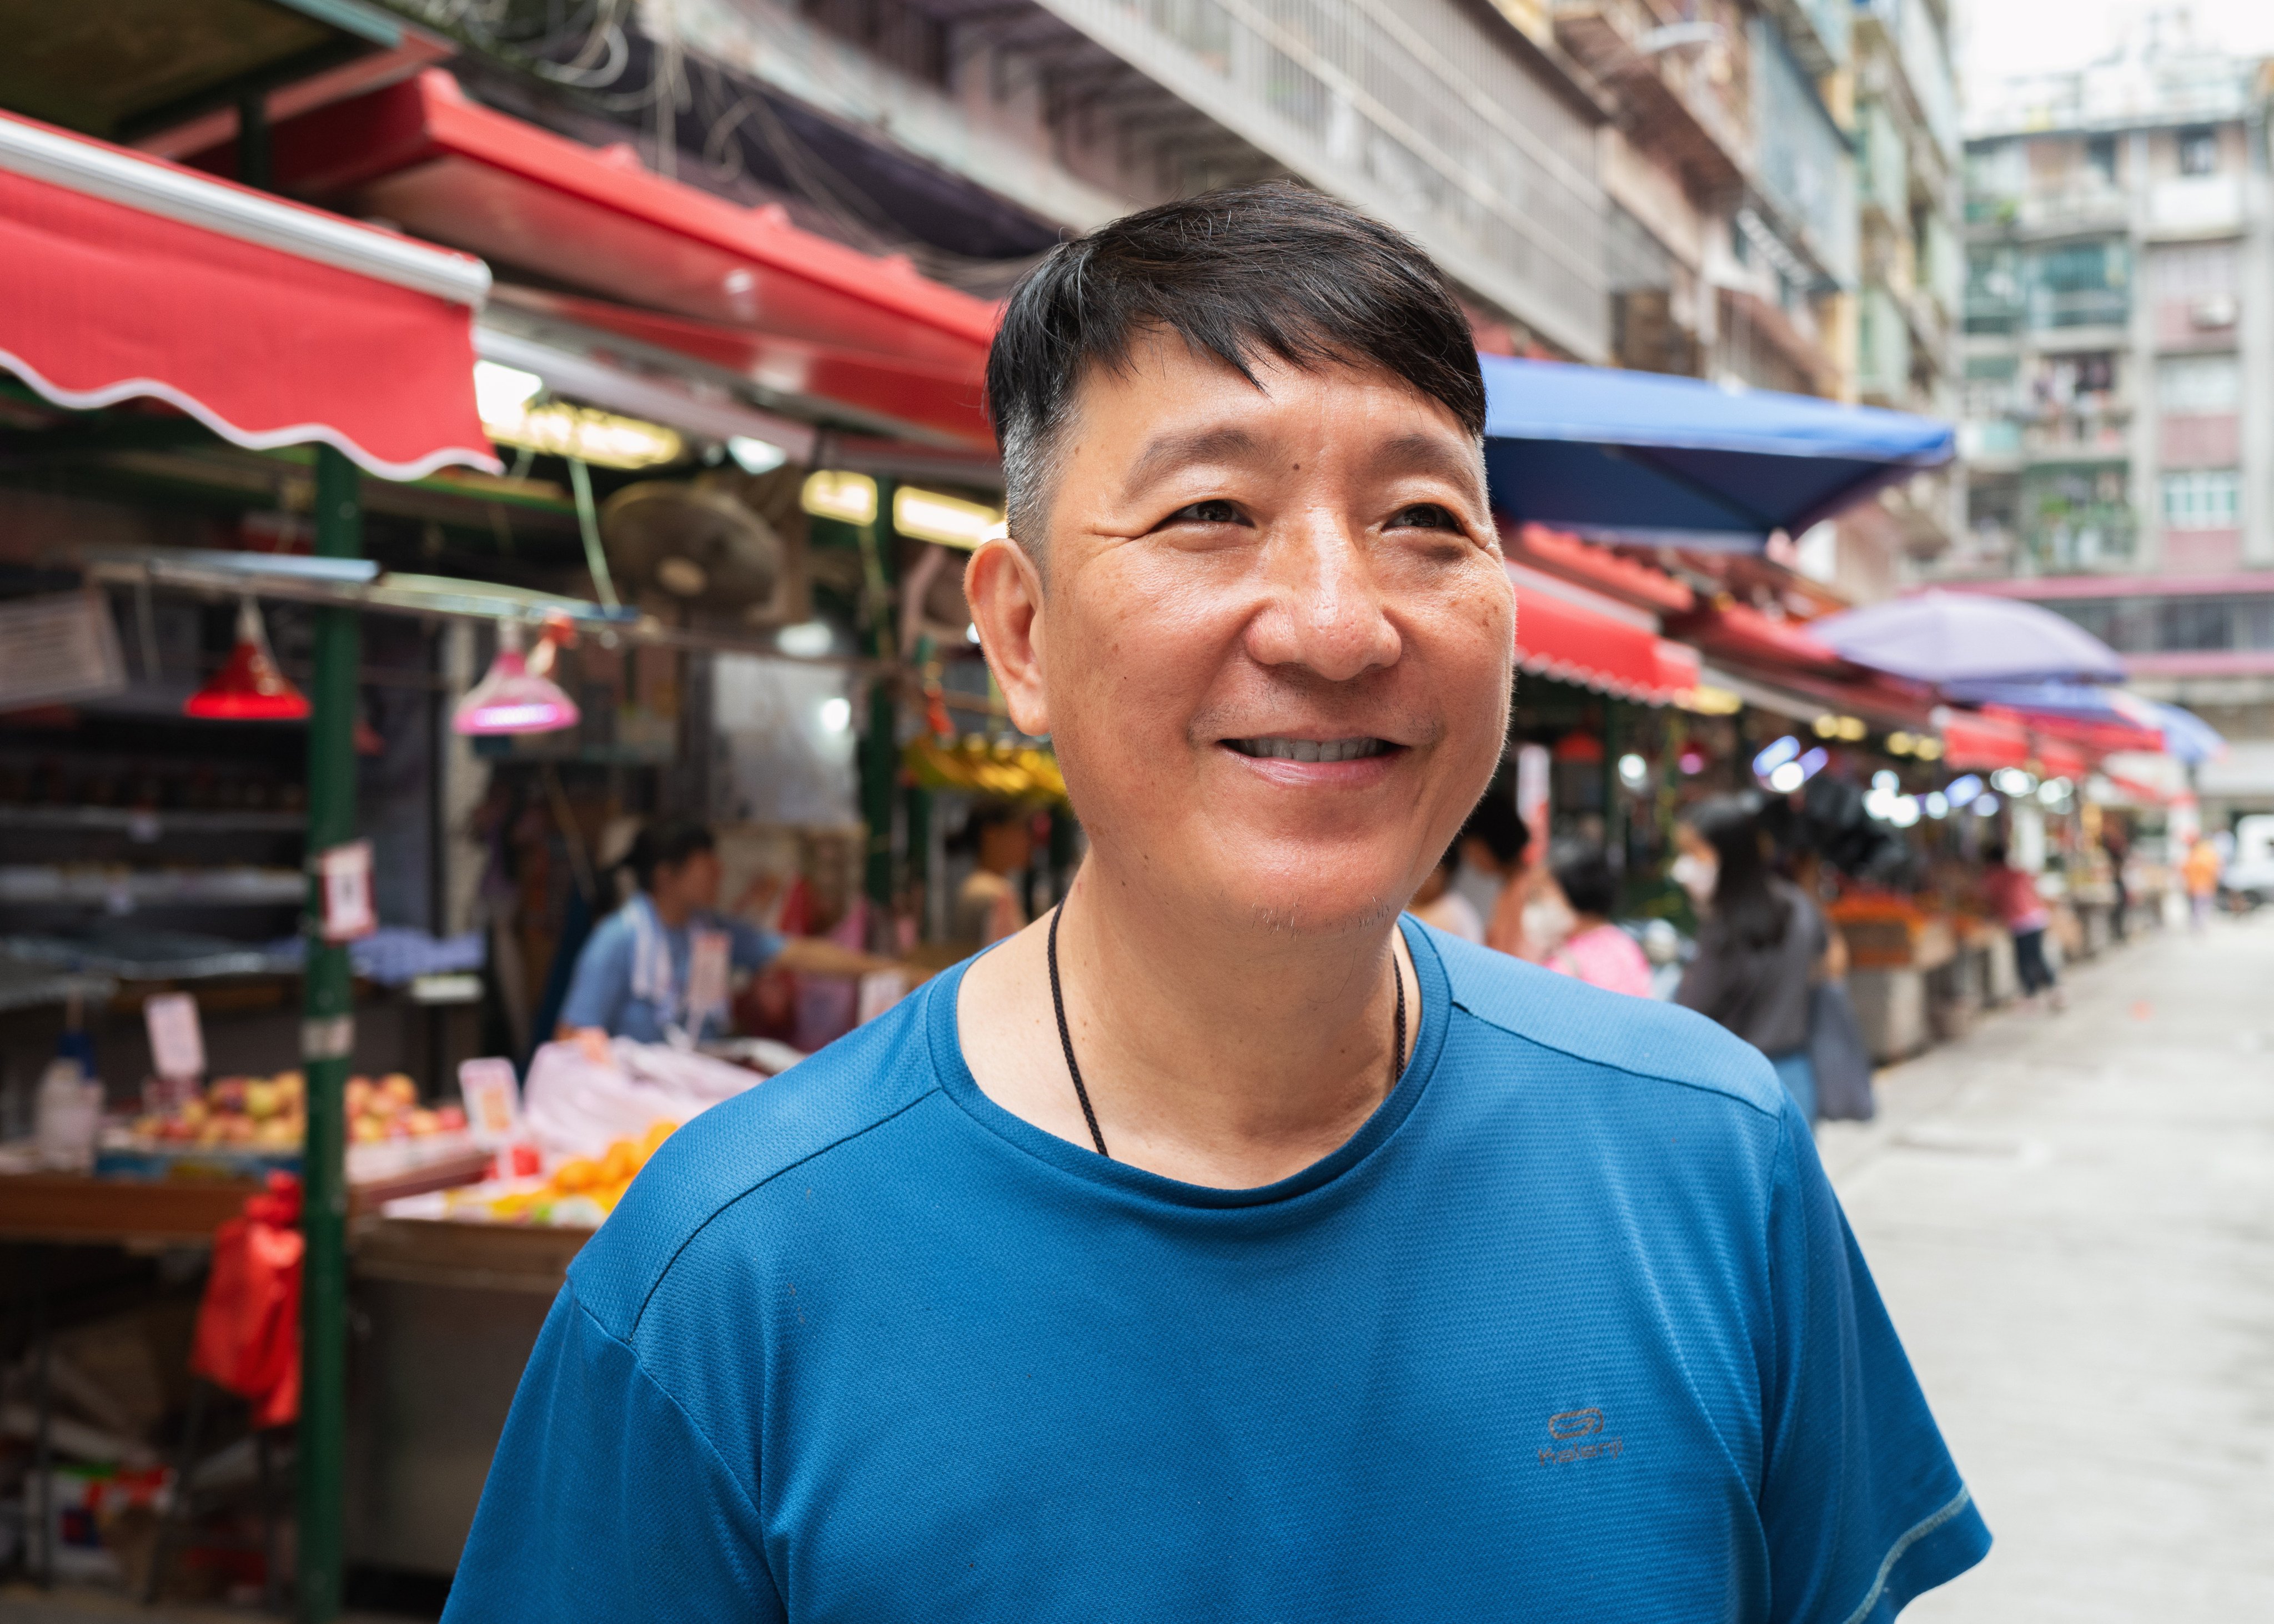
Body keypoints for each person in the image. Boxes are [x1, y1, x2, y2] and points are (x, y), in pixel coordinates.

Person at [448, 185, 1987, 1623]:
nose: (1333, 625)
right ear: (1023, 630)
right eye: (1207, 514)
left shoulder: (1710, 1162)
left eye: (1423, 522)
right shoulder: (723, 1277)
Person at [556, 816, 891, 1051]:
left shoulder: (711, 930)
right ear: (665, 876)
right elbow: (569, 1038)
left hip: (699, 1085)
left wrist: (895, 971)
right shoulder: (617, 940)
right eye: (707, 866)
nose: (720, 873)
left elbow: (798, 954)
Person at [1673, 795, 1845, 1120]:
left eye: (1695, 851)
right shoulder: (1798, 906)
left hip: (1733, 1084)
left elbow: (1691, 1013)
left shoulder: (1723, 929)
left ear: (1730, 853)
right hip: (1794, 1076)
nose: (1685, 865)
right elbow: (1834, 960)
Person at [1544, 848, 1653, 997]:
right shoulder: (1627, 946)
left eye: (1545, 896)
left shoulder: (1565, 963)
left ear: (1573, 901)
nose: (1545, 905)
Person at [1980, 839, 2062, 1008]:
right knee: (2034, 957)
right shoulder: (2017, 873)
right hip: (2037, 918)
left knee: (2028, 960)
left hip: (2021, 922)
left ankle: (2043, 993)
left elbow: (1992, 901)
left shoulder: (1993, 876)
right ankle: (2045, 993)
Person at [949, 801, 1035, 946]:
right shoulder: (992, 892)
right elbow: (1010, 958)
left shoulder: (979, 886)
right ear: (992, 833)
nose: (1028, 841)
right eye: (1020, 830)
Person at [1407, 844, 1484, 942]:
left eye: (1425, 870)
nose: (1416, 877)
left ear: (1445, 873)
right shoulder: (1415, 908)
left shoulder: (1451, 914)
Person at [2182, 833, 2222, 932]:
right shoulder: (2193, 853)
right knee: (2197, 908)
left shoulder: (2202, 853)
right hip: (2195, 887)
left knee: (2200, 908)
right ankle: (2198, 926)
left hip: (2203, 886)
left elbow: (2213, 868)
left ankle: (2200, 927)